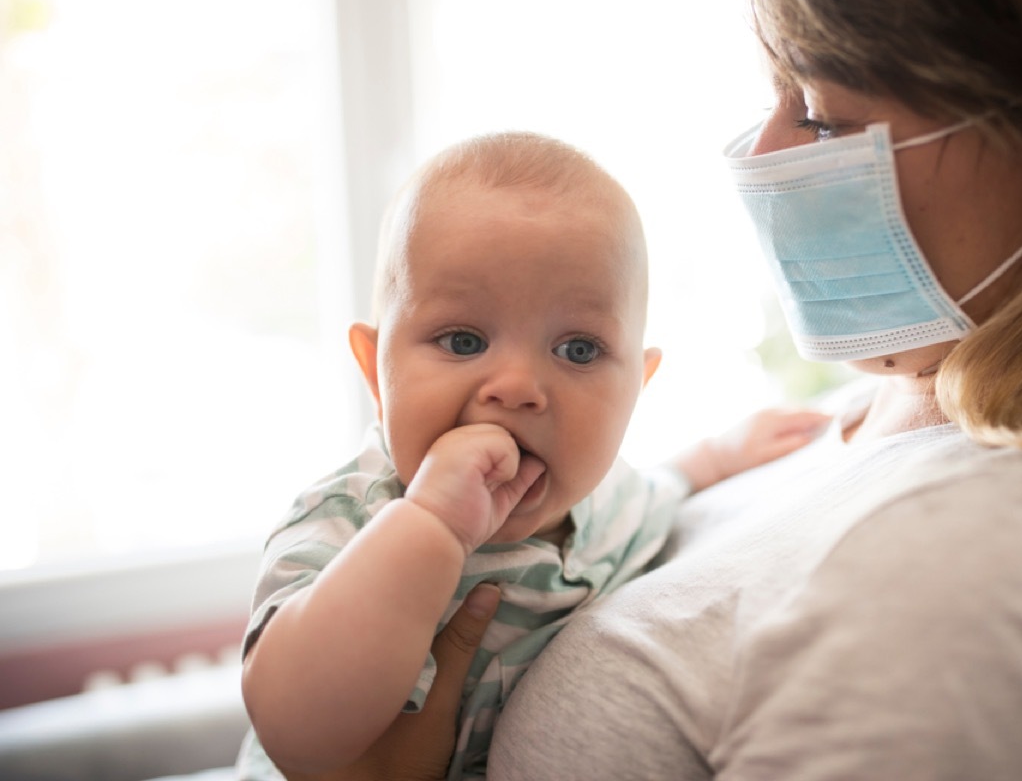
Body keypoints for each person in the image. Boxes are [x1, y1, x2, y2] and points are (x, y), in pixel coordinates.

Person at [296, 0, 1022, 779]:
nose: (763, 156)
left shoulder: (1002, 566)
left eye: (820, 114)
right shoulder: (867, 411)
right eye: (460, 338)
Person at [236, 131, 830, 781]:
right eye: (462, 340)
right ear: (376, 375)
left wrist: (721, 455)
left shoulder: (613, 505)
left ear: (637, 388)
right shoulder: (349, 519)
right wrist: (432, 522)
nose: (517, 387)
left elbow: (666, 484)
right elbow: (294, 730)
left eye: (577, 350)